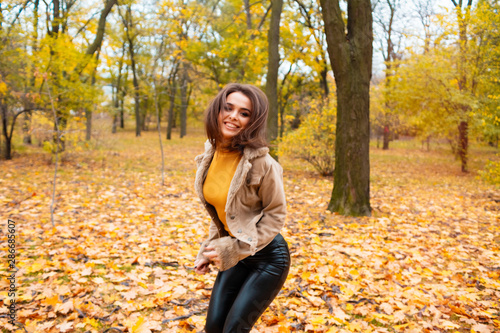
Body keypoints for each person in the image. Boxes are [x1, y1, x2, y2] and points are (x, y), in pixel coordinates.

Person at [193, 83, 290, 333]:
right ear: (217, 110)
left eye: (244, 113)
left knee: (233, 330)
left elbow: (276, 213)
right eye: (228, 108)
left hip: (268, 258)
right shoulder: (210, 154)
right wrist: (210, 249)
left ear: (252, 121)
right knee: (214, 327)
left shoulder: (262, 163)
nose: (233, 116)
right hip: (235, 254)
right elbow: (226, 215)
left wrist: (235, 248)